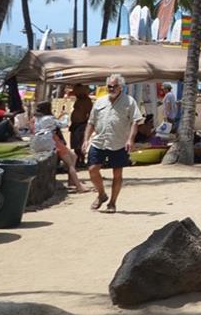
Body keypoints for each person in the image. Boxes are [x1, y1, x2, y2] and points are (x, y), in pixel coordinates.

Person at [84, 73, 142, 212]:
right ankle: (102, 194)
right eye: (109, 86)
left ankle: (112, 202)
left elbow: (136, 120)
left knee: (117, 173)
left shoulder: (129, 101)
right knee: (92, 169)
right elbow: (91, 122)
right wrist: (86, 139)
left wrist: (130, 139)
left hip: (119, 142)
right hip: (99, 141)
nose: (111, 88)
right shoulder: (99, 101)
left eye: (114, 86)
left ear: (121, 87)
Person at [31, 101, 86, 192]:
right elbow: (63, 124)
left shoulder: (35, 119)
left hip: (40, 140)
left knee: (73, 156)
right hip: (52, 140)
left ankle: (71, 181)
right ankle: (78, 186)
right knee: (70, 162)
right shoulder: (49, 118)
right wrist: (66, 116)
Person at [68, 83, 93, 159]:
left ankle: (81, 159)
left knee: (79, 143)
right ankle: (78, 158)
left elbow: (90, 113)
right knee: (75, 144)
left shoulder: (87, 101)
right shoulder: (79, 99)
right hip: (75, 124)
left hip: (81, 124)